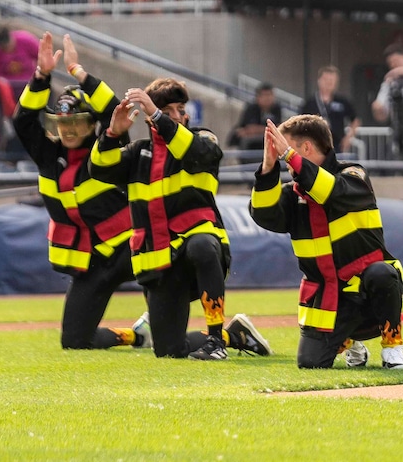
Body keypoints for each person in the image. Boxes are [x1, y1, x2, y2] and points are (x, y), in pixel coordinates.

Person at [90, 77, 271, 359]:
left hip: (200, 256)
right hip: (160, 265)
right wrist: (112, 133)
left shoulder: (203, 139)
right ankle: (235, 335)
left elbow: (197, 152)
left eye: (180, 109)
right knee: (169, 351)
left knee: (201, 244)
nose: (177, 115)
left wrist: (157, 115)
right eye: (168, 110)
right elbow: (99, 169)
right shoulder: (138, 153)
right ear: (149, 120)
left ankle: (215, 341)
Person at [14, 33, 143, 350]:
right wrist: (41, 76)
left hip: (131, 249)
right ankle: (137, 335)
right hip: (92, 260)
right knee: (74, 341)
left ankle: (220, 333)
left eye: (77, 122)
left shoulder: (108, 144)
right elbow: (23, 121)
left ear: (91, 124)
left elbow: (113, 110)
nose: (68, 129)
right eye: (62, 123)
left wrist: (77, 72)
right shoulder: (47, 154)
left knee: (173, 324)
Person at [252, 115, 403, 369]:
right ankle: (351, 344)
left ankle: (392, 348)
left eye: (285, 149)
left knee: (382, 273)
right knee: (310, 363)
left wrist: (289, 156)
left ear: (305, 148)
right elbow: (264, 215)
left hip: (366, 291)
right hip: (328, 298)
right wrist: (268, 167)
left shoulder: (354, 175)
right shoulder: (293, 193)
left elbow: (331, 191)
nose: (283, 157)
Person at [299, 66, 361, 156]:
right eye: (326, 80)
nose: (329, 83)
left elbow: (355, 120)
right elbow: (300, 123)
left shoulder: (342, 101)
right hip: (315, 145)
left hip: (336, 146)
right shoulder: (310, 103)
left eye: (332, 81)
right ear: (319, 81)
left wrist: (348, 138)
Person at [0, 25, 40, 90]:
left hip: (27, 85)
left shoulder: (26, 40)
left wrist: (37, 77)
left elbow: (40, 56)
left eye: (9, 46)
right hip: (4, 89)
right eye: (5, 48)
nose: (8, 50)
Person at [231, 83, 283, 152]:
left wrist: (258, 130)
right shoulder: (251, 108)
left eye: (270, 95)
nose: (268, 98)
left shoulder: (276, 108)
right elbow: (250, 128)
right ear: (258, 97)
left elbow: (279, 128)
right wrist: (270, 129)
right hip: (249, 142)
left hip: (267, 140)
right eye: (265, 95)